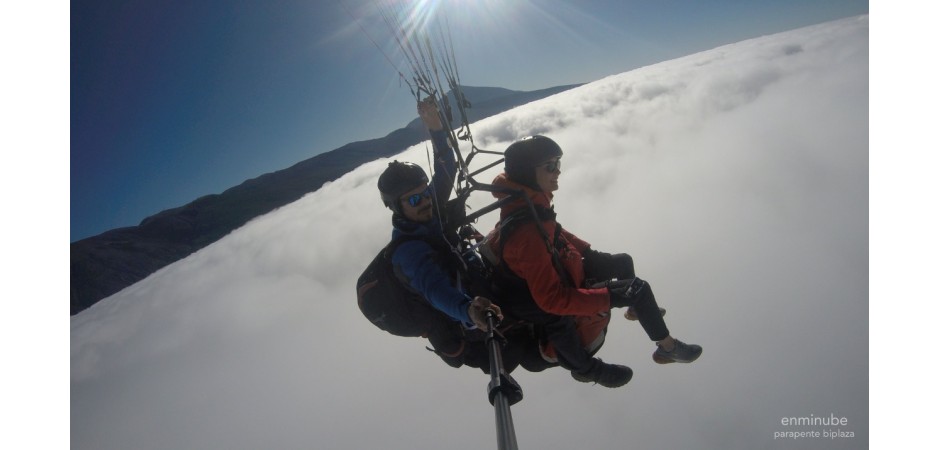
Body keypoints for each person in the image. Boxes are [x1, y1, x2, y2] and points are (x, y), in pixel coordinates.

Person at [486, 135, 702, 387]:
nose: (558, 171)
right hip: (538, 295)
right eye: (550, 166)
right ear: (526, 172)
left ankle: (636, 310)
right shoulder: (528, 230)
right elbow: (552, 299)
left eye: (558, 163)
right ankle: (662, 349)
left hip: (553, 266)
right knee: (637, 290)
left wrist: (588, 253)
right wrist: (607, 299)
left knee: (623, 262)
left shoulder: (527, 201)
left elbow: (554, 231)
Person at [376, 98, 509, 371]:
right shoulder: (407, 251)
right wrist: (468, 310)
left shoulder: (428, 208)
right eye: (414, 200)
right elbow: (433, 288)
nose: (425, 201)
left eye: (425, 193)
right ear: (397, 208)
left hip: (472, 276)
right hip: (462, 315)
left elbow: (446, 165)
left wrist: (435, 126)